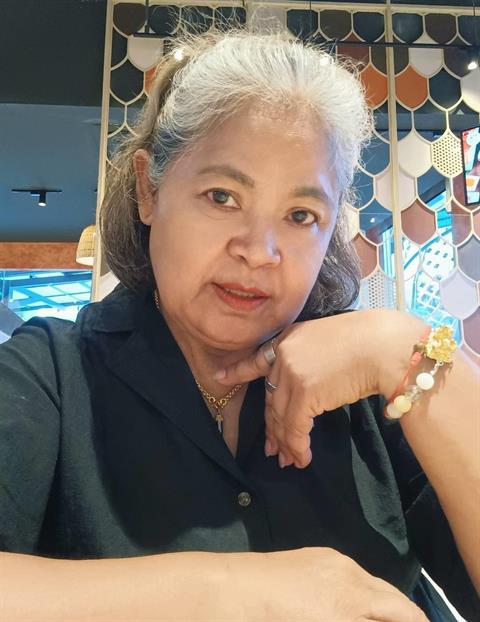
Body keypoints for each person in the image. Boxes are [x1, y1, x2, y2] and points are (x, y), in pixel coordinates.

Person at [0, 26, 479, 621]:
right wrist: (228, 591)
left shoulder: (377, 393)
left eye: (300, 215)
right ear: (149, 189)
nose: (259, 251)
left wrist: (404, 347)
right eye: (222, 196)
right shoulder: (49, 376)